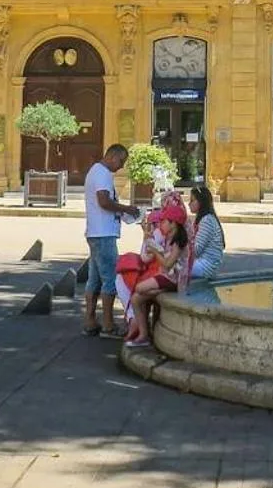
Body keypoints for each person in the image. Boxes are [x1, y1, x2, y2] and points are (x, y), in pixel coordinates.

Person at [83, 144, 142, 338]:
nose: (122, 166)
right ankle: (108, 325)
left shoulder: (96, 171)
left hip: (96, 232)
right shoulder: (102, 174)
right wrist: (126, 209)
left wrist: (122, 212)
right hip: (103, 234)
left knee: (95, 279)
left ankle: (90, 321)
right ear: (112, 157)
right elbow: (104, 201)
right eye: (122, 161)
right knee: (110, 279)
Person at [125, 197, 192, 347]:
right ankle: (143, 335)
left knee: (139, 288)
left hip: (173, 279)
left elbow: (168, 265)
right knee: (136, 298)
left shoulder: (178, 241)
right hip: (166, 277)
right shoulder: (169, 238)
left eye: (164, 222)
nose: (161, 225)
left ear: (173, 223)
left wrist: (155, 252)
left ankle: (159, 292)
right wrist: (148, 239)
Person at [187, 184, 226, 290]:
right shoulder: (203, 219)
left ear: (201, 202)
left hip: (206, 266)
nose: (189, 203)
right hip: (202, 262)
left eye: (192, 200)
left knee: (171, 268)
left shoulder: (207, 220)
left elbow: (196, 250)